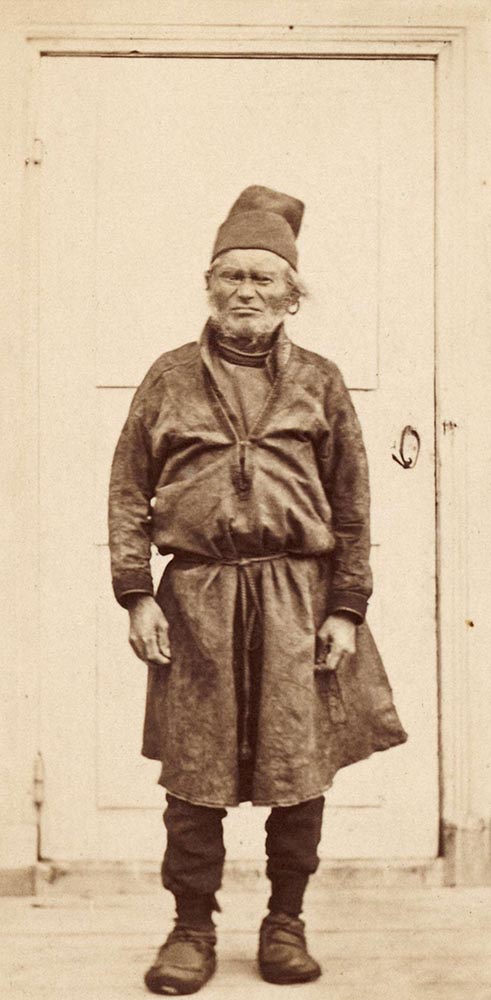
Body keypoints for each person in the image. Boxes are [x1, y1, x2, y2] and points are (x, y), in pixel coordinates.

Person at [108, 185, 407, 995]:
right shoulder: (169, 377)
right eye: (231, 276)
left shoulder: (319, 381)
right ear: (210, 285)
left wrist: (345, 608)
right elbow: (128, 490)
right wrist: (136, 592)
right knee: (192, 772)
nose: (245, 291)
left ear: (291, 294)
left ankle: (285, 923)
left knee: (298, 767)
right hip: (197, 600)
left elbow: (352, 504)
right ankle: (190, 929)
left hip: (298, 602)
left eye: (262, 278)